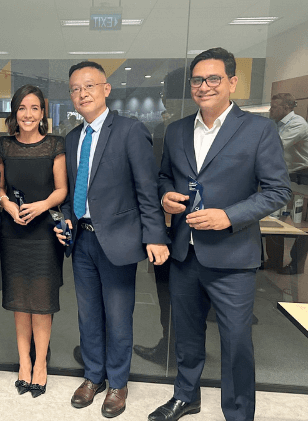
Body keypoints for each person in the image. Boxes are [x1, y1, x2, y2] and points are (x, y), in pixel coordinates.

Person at [150, 48, 291, 421]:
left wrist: (228, 216)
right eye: (197, 80)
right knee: (187, 334)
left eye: (213, 78)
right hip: (185, 253)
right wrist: (165, 196)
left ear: (232, 82)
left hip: (232, 256)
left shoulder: (259, 130)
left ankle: (239, 413)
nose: (204, 86)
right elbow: (164, 176)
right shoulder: (177, 130)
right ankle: (186, 395)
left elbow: (278, 191)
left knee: (236, 342)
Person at [55, 61, 169, 418]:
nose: (82, 93)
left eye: (89, 86)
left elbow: (146, 190)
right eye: (75, 88)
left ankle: (118, 383)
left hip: (118, 240)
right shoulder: (72, 138)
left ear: (106, 89)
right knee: (88, 316)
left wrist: (154, 235)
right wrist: (66, 224)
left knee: (119, 317)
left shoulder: (130, 131)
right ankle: (94, 376)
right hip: (83, 242)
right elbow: (75, 191)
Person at [0, 84, 67, 398]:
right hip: (14, 233)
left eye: (34, 108)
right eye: (22, 108)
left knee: (40, 305)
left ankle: (41, 364)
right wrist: (7, 204)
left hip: (42, 235)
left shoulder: (55, 144)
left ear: (43, 113)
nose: (28, 114)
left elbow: (61, 189)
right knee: (20, 304)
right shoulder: (4, 145)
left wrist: (42, 206)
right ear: (15, 112)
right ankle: (24, 363)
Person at [268, 93, 308, 275]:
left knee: (301, 226)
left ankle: (296, 265)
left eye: (274, 107)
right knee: (272, 218)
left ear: (286, 108)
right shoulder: (275, 124)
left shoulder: (297, 124)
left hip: (302, 180)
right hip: (284, 177)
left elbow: (275, 146)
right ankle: (274, 260)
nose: (270, 110)